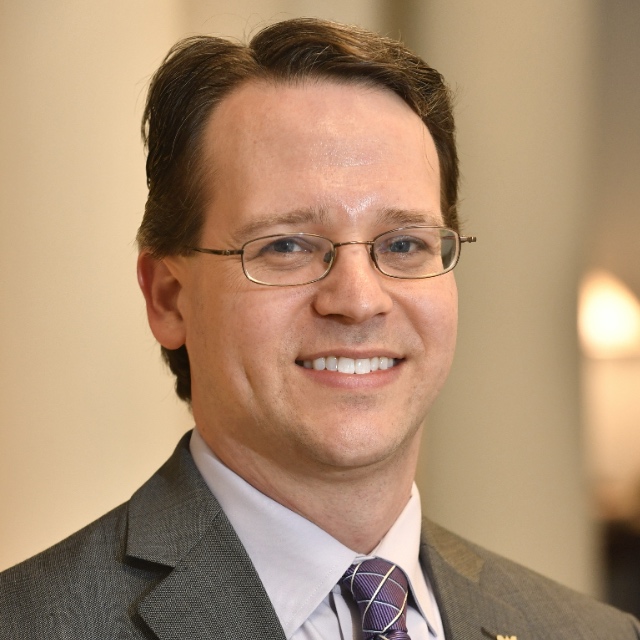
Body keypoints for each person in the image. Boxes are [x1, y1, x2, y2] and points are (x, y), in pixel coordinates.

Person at [0, 17, 638, 640]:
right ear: (170, 298)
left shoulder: (590, 630)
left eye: (405, 243)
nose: (359, 301)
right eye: (285, 246)